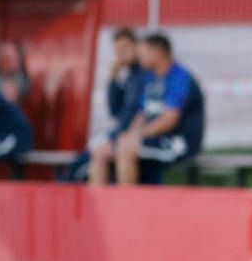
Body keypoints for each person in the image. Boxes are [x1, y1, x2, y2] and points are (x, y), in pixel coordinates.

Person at [91, 33, 204, 186]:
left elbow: (168, 120)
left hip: (178, 143)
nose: (139, 56)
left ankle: (127, 205)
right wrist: (127, 135)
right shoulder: (151, 80)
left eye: (143, 52)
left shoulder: (179, 78)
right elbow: (142, 114)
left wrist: (137, 136)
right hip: (154, 138)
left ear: (157, 53)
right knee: (101, 152)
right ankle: (100, 207)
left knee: (126, 150)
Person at [65, 28, 147, 182]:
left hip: (135, 135)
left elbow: (138, 111)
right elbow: (114, 110)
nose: (122, 54)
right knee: (84, 161)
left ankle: (124, 202)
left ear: (137, 47)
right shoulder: (129, 77)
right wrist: (113, 77)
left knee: (107, 153)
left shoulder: (146, 74)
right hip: (122, 134)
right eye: (118, 50)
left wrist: (120, 135)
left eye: (125, 48)